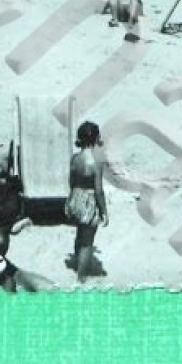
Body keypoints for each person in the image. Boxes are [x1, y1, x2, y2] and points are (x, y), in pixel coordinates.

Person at [67, 121, 110, 282]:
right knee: (87, 242)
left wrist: (70, 200)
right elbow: (98, 190)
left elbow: (71, 182)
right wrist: (104, 211)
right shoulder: (96, 163)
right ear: (96, 138)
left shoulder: (74, 159)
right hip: (89, 202)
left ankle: (77, 263)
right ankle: (81, 277)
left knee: (79, 235)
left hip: (76, 197)